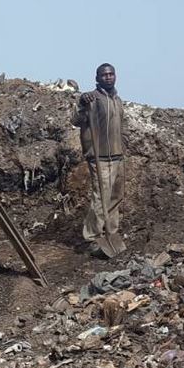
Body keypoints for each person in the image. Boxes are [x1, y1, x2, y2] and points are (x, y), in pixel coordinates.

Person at [71, 63, 126, 257]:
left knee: (115, 197)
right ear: (98, 78)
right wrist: (82, 103)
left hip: (117, 155)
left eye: (111, 74)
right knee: (100, 197)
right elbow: (75, 120)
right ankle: (92, 236)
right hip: (100, 157)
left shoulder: (117, 100)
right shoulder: (91, 99)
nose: (109, 77)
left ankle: (112, 233)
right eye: (105, 75)